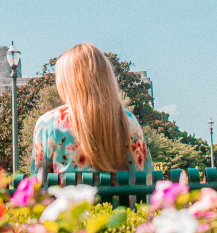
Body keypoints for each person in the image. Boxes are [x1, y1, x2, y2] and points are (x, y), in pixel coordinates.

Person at [31, 43, 153, 175]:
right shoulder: (129, 121)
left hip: (69, 196)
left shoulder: (48, 123)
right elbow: (146, 177)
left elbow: (38, 183)